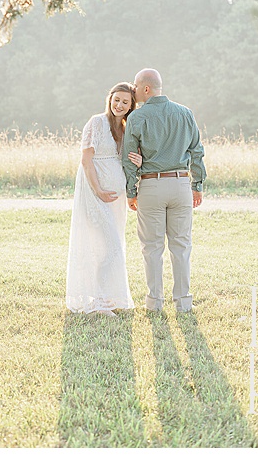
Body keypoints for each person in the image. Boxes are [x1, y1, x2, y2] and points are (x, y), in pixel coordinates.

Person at [121, 68, 206, 313]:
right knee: (181, 246)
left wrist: (131, 190)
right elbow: (197, 152)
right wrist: (197, 185)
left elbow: (129, 158)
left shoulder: (137, 118)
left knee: (152, 247)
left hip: (151, 185)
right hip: (181, 184)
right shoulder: (185, 113)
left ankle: (154, 303)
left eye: (136, 87)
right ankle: (183, 302)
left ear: (146, 89)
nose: (134, 91)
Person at [65, 82, 140, 314]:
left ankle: (108, 298)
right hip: (94, 193)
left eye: (125, 102)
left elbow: (125, 161)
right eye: (116, 99)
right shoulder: (96, 122)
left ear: (131, 106)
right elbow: (86, 161)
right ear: (109, 100)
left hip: (115, 200)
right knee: (110, 245)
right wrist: (98, 190)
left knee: (111, 245)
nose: (119, 105)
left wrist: (139, 162)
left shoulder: (126, 128)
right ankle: (97, 300)